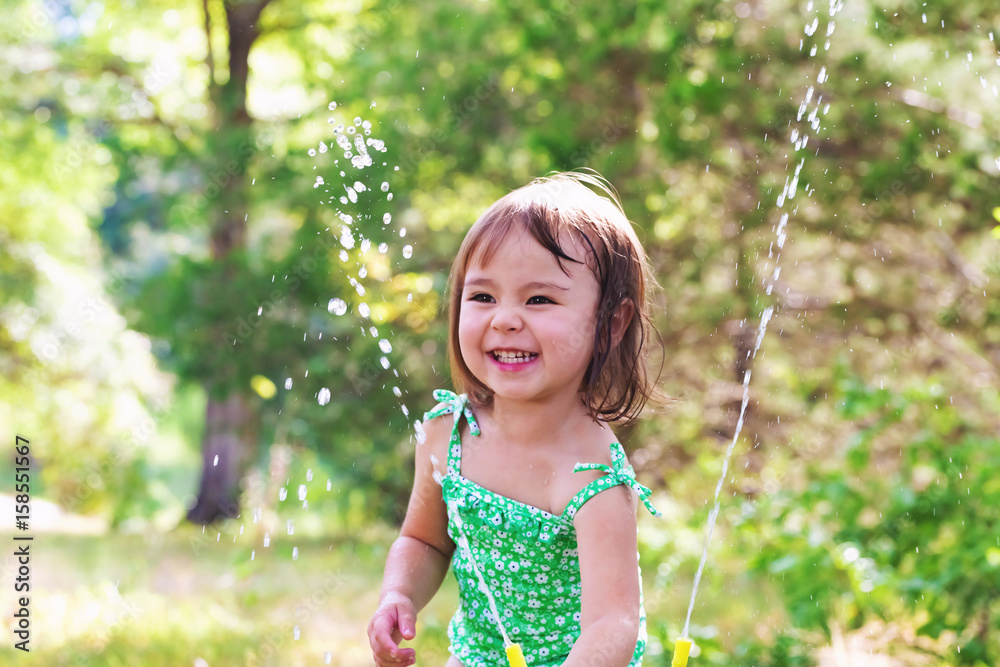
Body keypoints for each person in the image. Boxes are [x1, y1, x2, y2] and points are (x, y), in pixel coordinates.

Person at [368, 171, 663, 667]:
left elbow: (614, 622)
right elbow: (423, 539)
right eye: (482, 297)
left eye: (539, 299)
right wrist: (398, 594)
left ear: (611, 323)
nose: (505, 318)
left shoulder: (594, 478)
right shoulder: (449, 433)